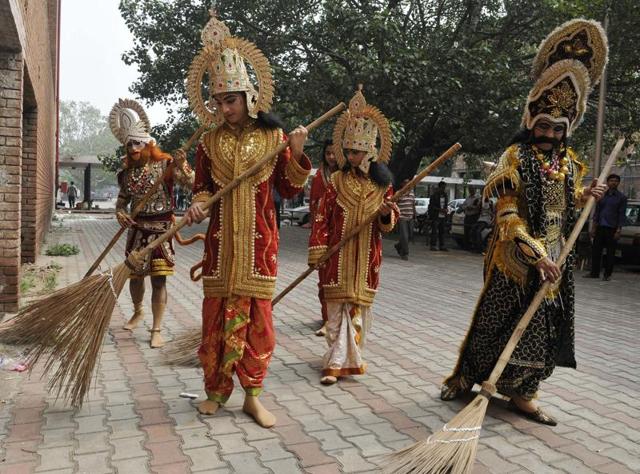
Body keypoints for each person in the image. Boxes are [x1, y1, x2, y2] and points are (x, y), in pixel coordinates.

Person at [440, 19, 608, 426]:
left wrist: (587, 196)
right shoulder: (514, 158)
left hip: (557, 257)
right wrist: (534, 254)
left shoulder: (569, 164)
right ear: (531, 120)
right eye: (543, 125)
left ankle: (523, 390)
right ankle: (468, 377)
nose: (549, 133)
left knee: (543, 328)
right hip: (514, 260)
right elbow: (508, 215)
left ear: (568, 128)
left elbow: (567, 206)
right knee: (494, 323)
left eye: (557, 128)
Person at [183, 14, 311, 427]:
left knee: (259, 325)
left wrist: (297, 151)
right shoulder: (209, 142)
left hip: (260, 247)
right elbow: (201, 186)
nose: (224, 109)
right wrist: (199, 203)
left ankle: (253, 395)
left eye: (231, 101)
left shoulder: (273, 140)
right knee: (215, 321)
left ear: (248, 96)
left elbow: (290, 190)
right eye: (218, 102)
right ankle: (216, 392)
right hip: (221, 249)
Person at [308, 87, 399, 386]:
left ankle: (346, 359)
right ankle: (337, 359)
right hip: (337, 255)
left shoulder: (382, 186)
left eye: (356, 151)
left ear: (370, 152)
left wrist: (386, 212)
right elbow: (322, 216)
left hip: (365, 257)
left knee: (356, 310)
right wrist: (319, 249)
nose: (350, 156)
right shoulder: (335, 181)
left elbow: (389, 224)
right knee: (335, 309)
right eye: (347, 151)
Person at [110, 98, 194, 349]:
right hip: (136, 231)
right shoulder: (125, 174)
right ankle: (137, 311)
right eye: (129, 145)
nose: (133, 148)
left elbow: (191, 183)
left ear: (148, 143)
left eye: (137, 143)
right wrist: (119, 213)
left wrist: (183, 165)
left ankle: (156, 329)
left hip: (161, 230)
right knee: (134, 277)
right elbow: (122, 201)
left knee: (159, 279)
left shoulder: (166, 165)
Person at [309, 140, 338, 336]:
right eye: (328, 153)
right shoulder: (320, 176)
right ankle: (326, 318)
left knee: (338, 280)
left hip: (341, 233)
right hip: (322, 232)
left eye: (335, 153)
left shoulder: (346, 176)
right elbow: (314, 205)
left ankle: (339, 320)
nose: (331, 157)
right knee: (323, 279)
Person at [586, 174, 627, 281]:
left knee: (610, 252)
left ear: (618, 183)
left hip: (612, 228)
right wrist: (594, 228)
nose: (613, 182)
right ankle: (594, 273)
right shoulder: (602, 195)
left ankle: (607, 274)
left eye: (616, 181)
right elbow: (597, 212)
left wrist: (618, 230)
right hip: (600, 227)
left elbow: (621, 214)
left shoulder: (621, 198)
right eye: (611, 180)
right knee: (596, 251)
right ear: (608, 182)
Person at [394, 178, 416, 260]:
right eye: (405, 183)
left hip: (410, 217)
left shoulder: (412, 193)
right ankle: (405, 253)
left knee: (410, 236)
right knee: (405, 236)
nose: (408, 184)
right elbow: (395, 205)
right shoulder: (398, 193)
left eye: (409, 183)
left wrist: (415, 215)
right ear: (402, 184)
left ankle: (399, 245)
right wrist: (396, 217)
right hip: (402, 217)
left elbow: (413, 205)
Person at [428, 181, 448, 251]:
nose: (443, 189)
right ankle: (433, 245)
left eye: (444, 188)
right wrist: (440, 210)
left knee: (442, 231)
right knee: (434, 231)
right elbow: (432, 206)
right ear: (439, 187)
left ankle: (442, 245)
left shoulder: (445, 195)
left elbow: (445, 204)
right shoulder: (434, 196)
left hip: (443, 216)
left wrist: (445, 210)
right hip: (436, 216)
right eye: (442, 188)